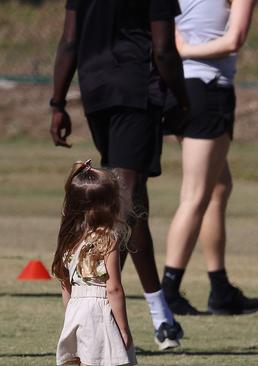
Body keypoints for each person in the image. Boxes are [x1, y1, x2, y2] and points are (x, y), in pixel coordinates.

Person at [49, 0, 190, 350]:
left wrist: (58, 103)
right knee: (123, 201)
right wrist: (184, 101)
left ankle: (161, 314)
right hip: (135, 88)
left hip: (96, 90)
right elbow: (163, 48)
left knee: (131, 199)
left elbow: (69, 40)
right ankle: (98, 306)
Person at [161, 0, 258, 316]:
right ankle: (168, 291)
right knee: (195, 196)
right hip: (207, 89)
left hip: (178, 88)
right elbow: (233, 40)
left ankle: (220, 288)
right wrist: (185, 50)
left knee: (219, 186)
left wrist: (177, 50)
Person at [53, 160, 136, 366]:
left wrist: (72, 313)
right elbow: (114, 289)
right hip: (99, 311)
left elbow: (65, 283)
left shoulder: (69, 238)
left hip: (75, 309)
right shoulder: (107, 238)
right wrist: (123, 329)